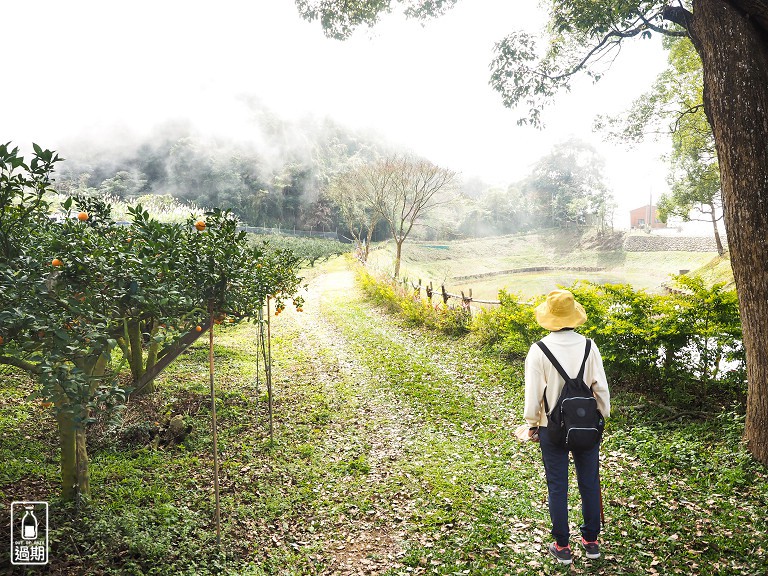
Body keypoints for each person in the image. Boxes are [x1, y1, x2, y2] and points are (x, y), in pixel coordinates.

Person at [523, 289, 611, 565]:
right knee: (589, 482)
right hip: (586, 427)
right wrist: (601, 417)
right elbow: (602, 389)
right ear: (574, 316)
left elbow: (533, 393)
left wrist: (532, 424)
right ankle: (592, 542)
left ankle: (562, 546)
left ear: (549, 317)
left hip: (553, 428)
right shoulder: (589, 346)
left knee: (557, 485)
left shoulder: (539, 350)